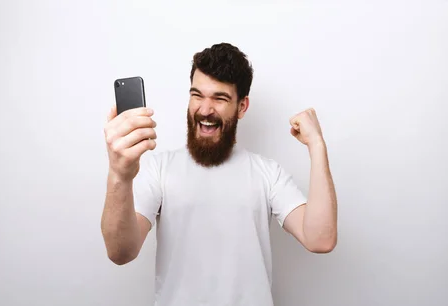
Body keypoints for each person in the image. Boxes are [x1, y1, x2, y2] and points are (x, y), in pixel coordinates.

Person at [101, 42, 338, 306]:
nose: (204, 109)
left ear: (242, 107)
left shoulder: (267, 173)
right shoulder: (159, 169)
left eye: (220, 98)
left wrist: (317, 145)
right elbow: (120, 251)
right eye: (197, 94)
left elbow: (321, 239)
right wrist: (119, 175)